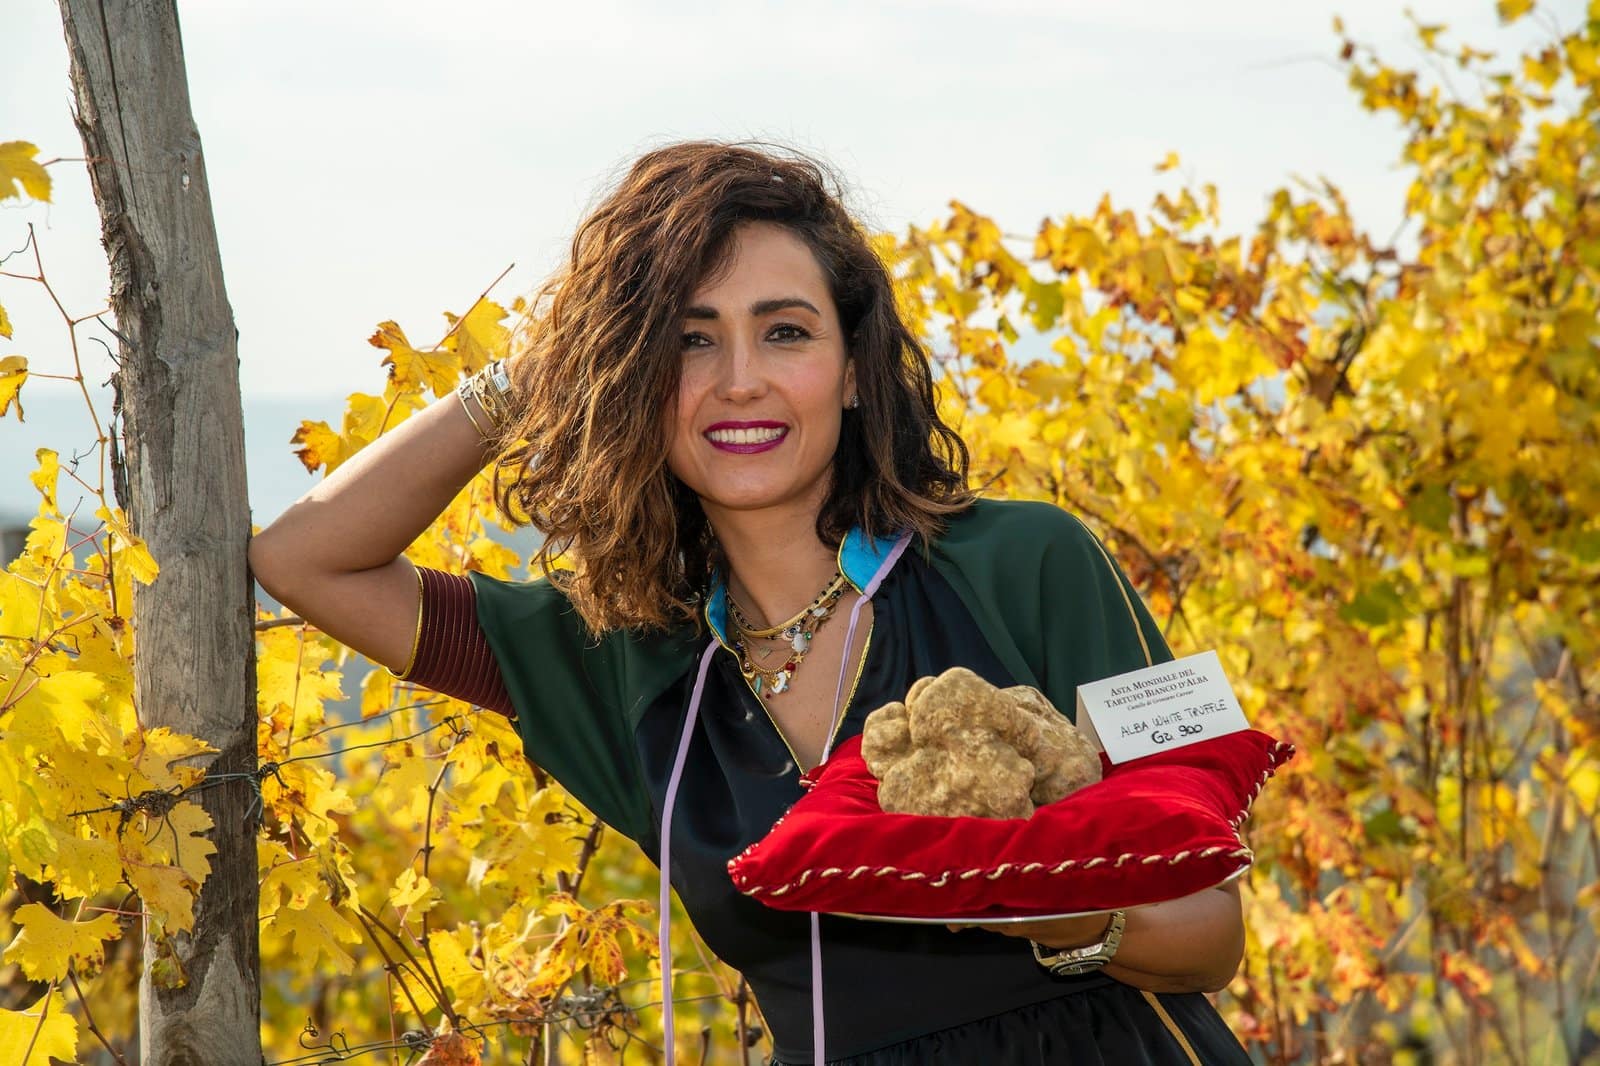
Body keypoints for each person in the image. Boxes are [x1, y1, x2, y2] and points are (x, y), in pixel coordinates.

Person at [249, 140, 1253, 1065]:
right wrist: (536, 372)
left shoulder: (1028, 561)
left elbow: (1210, 932)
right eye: (688, 341)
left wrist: (1039, 907)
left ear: (853, 370)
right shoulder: (622, 668)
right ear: (636, 378)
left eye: (784, 332)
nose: (738, 381)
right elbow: (307, 560)